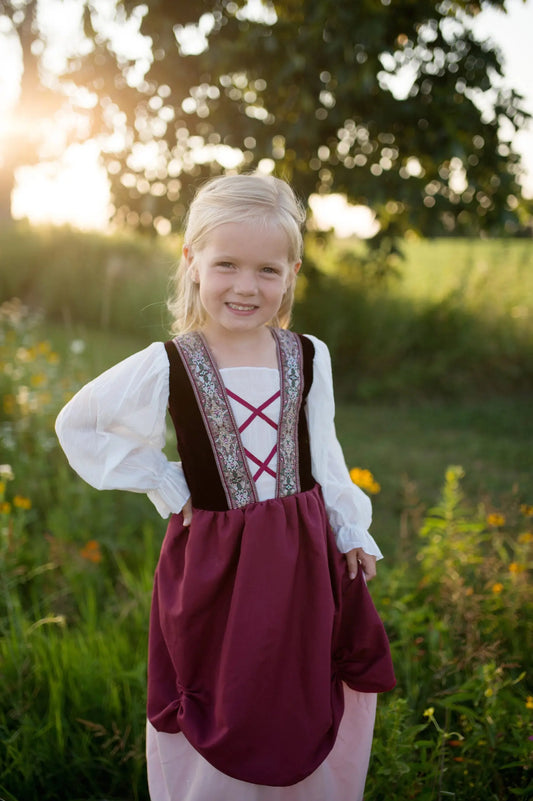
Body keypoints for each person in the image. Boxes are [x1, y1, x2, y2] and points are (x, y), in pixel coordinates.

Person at [55, 172, 395, 801]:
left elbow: (327, 453)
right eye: (228, 264)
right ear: (192, 261)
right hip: (217, 561)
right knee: (225, 681)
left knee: (298, 676)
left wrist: (350, 529)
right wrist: (166, 482)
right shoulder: (171, 362)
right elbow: (81, 422)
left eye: (268, 270)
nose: (246, 286)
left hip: (302, 553)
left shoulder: (307, 355)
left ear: (292, 272)